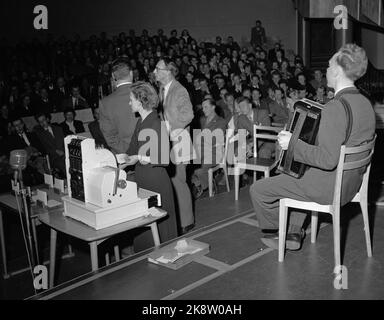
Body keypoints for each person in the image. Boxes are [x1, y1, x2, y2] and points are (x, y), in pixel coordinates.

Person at [249, 43, 375, 251]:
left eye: (328, 66)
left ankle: (279, 231)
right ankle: (295, 231)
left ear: (336, 71)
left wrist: (292, 143)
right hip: (353, 184)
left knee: (259, 190)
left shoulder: (336, 107)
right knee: (300, 173)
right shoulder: (364, 103)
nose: (325, 69)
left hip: (331, 188)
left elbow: (327, 160)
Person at [121, 81, 178, 251]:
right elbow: (131, 150)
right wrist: (115, 162)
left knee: (160, 228)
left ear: (140, 100)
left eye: (131, 99)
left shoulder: (155, 122)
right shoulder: (141, 122)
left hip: (156, 181)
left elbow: (163, 158)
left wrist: (138, 157)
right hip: (143, 178)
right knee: (146, 225)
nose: (129, 103)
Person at [154, 58, 195, 235]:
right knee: (173, 181)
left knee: (178, 180)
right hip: (168, 141)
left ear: (168, 71)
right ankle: (180, 219)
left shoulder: (179, 90)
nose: (154, 71)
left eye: (158, 68)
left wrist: (170, 128)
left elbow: (189, 115)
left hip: (179, 140)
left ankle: (187, 222)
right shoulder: (163, 89)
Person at [99, 58, 137, 154]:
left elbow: (109, 136)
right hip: (149, 151)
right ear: (131, 73)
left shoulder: (105, 103)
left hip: (124, 155)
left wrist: (127, 151)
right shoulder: (146, 93)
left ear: (112, 76)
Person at [191, 98, 227, 198]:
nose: (203, 109)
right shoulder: (202, 120)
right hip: (202, 150)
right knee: (186, 164)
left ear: (213, 107)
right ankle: (200, 183)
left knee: (199, 169)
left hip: (215, 152)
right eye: (202, 107)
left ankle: (209, 185)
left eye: (206, 107)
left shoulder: (221, 121)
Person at [33, 112, 66, 178]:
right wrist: (56, 151)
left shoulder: (58, 129)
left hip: (64, 153)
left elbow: (64, 142)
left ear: (47, 119)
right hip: (53, 157)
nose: (42, 123)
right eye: (40, 122)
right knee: (63, 163)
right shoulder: (39, 134)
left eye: (43, 120)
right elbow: (44, 148)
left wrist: (64, 152)